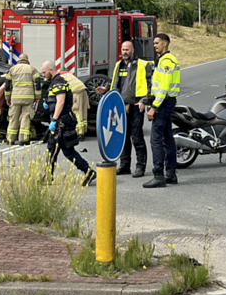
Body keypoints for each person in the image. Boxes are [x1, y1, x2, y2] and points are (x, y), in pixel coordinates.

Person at [97, 41, 152, 178]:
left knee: (137, 137)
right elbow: (115, 83)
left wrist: (144, 101)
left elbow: (150, 86)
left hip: (135, 105)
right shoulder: (118, 65)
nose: (124, 52)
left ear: (133, 51)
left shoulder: (143, 65)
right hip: (120, 107)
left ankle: (140, 167)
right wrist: (106, 90)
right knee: (123, 137)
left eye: (127, 49)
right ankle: (125, 166)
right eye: (123, 49)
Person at [40, 61, 96, 186]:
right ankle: (48, 177)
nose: (43, 75)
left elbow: (60, 102)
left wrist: (54, 120)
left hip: (62, 123)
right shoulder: (54, 83)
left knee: (67, 151)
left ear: (51, 70)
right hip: (60, 123)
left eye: (44, 72)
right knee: (52, 151)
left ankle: (88, 171)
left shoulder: (59, 83)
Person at [140, 33, 180, 188]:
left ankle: (158, 175)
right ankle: (171, 173)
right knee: (167, 137)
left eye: (157, 43)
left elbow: (163, 87)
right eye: (154, 43)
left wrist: (154, 107)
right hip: (167, 102)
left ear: (165, 44)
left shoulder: (166, 61)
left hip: (163, 103)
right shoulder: (165, 60)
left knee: (156, 139)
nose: (154, 45)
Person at [3, 54, 42, 145]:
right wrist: (38, 97)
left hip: (15, 98)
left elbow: (7, 85)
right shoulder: (32, 69)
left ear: (19, 60)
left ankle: (10, 139)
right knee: (26, 117)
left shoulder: (12, 69)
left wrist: (7, 98)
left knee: (13, 118)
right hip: (28, 98)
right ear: (27, 59)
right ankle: (23, 139)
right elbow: (37, 84)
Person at [57, 69, 89, 140]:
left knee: (77, 112)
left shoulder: (58, 78)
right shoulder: (67, 75)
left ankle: (79, 133)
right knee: (83, 112)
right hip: (83, 90)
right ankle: (83, 131)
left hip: (76, 92)